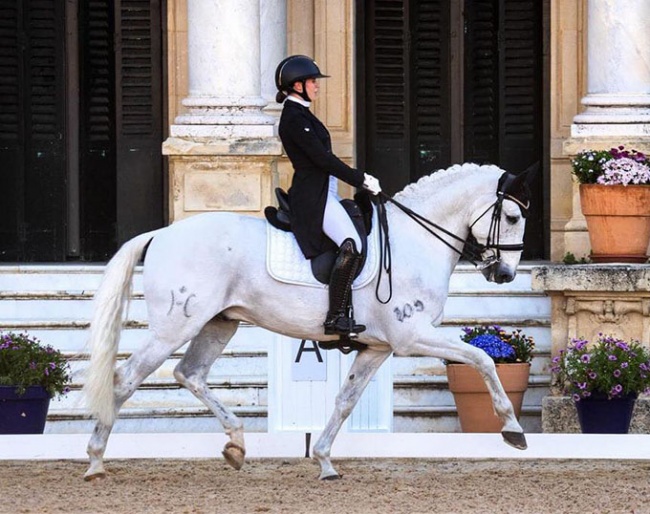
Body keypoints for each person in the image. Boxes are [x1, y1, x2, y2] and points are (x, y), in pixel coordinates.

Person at [274, 55, 382, 338]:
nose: (317, 86)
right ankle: (335, 317)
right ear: (297, 85)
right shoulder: (293, 117)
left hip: (323, 191)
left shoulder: (303, 113)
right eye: (312, 82)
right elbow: (322, 159)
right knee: (351, 244)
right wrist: (361, 179)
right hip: (313, 196)